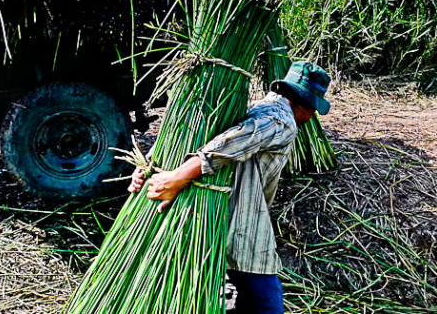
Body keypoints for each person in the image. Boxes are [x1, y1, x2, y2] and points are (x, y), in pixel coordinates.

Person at [128, 61, 331, 314]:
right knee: (267, 301)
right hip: (242, 224)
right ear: (308, 107)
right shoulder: (281, 120)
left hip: (206, 215)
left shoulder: (256, 108)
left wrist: (151, 174)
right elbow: (234, 141)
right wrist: (178, 177)